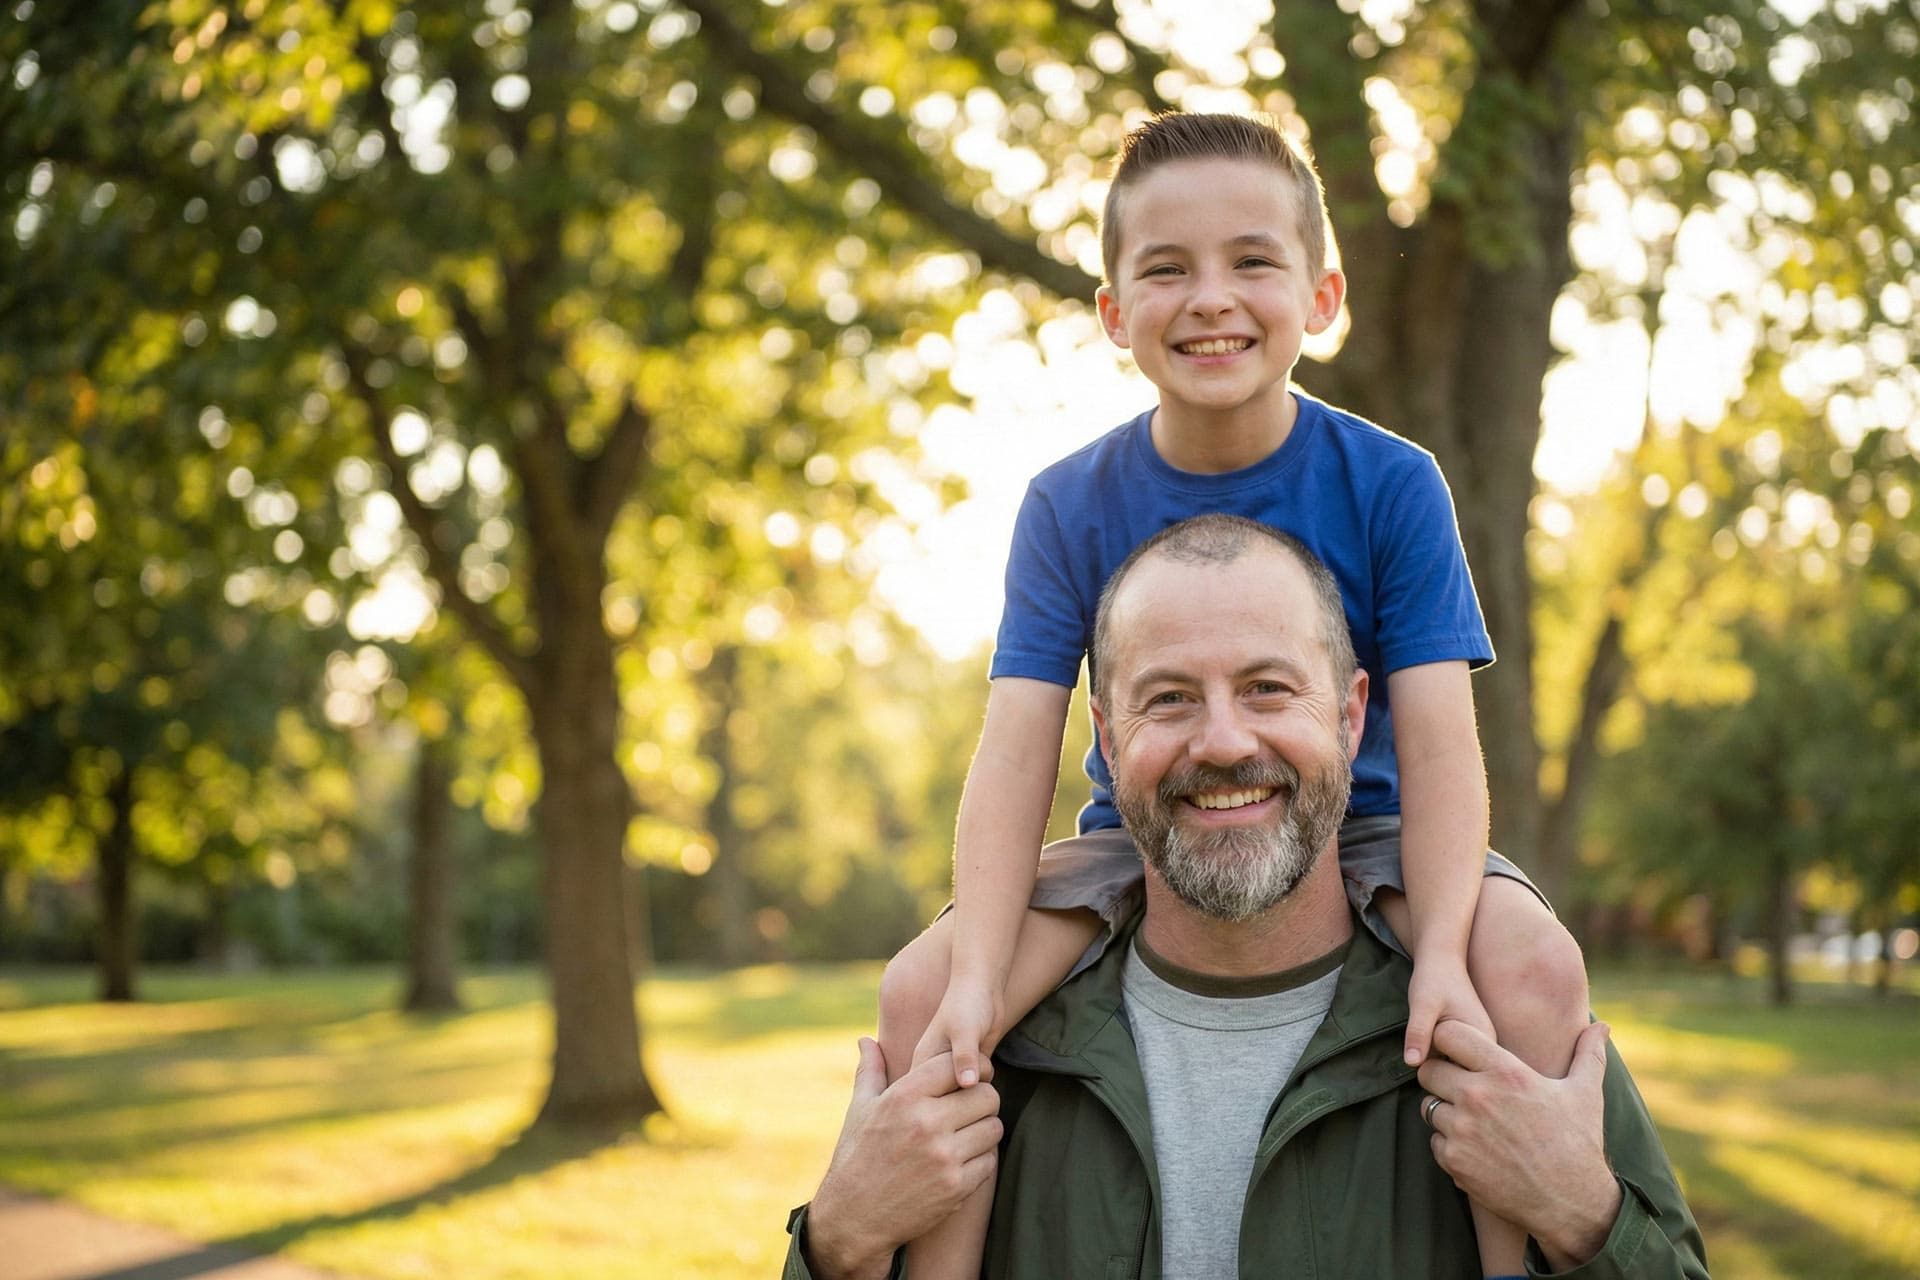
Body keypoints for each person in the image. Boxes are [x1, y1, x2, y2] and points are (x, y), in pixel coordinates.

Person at [880, 112, 1590, 1278]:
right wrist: (972, 976)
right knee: (923, 996)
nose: (1211, 298)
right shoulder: (1066, 502)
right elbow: (1012, 753)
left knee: (1529, 971)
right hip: (1141, 837)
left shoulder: (1394, 483)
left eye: (1252, 260)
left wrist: (1446, 948)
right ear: (1114, 312)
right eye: (1167, 268)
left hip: (1366, 828)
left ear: (1321, 294)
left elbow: (1441, 751)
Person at [788, 517, 1709, 1280]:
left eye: (1268, 689)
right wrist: (836, 1246)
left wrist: (1584, 1218)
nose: (1224, 743)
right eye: (1170, 699)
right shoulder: (992, 1047)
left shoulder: (1498, 1027)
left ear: (1350, 715)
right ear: (1105, 737)